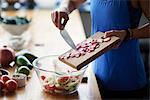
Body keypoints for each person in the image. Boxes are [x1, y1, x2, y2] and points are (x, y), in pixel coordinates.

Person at [51, 0, 150, 99]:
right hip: (96, 77)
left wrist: (128, 33)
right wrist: (63, 8)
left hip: (127, 82)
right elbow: (72, 2)